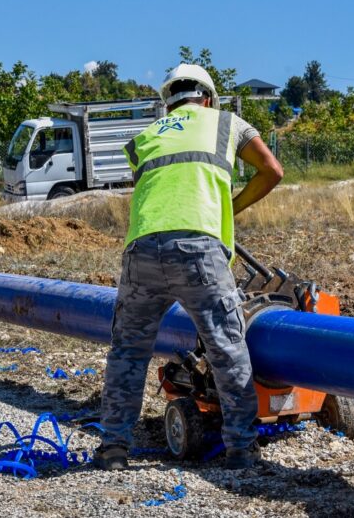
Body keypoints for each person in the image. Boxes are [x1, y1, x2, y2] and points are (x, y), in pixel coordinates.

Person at [95, 64, 284, 472]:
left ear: (169, 103)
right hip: (199, 250)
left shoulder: (146, 137)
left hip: (142, 248)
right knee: (226, 347)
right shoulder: (226, 122)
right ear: (208, 98)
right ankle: (240, 448)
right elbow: (272, 170)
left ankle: (113, 448)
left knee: (127, 352)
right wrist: (231, 208)